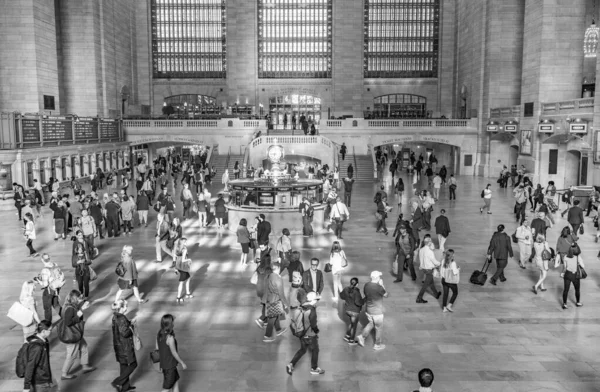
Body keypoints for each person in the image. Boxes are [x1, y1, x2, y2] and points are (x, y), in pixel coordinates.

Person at [286, 291, 324, 375]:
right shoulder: (312, 310)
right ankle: (314, 368)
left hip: (302, 334)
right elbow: (313, 324)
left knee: (302, 350)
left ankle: (291, 364)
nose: (317, 301)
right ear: (313, 300)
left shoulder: (302, 307)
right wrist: (316, 330)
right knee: (315, 350)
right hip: (310, 335)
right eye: (316, 300)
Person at [61, 290, 96, 380]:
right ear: (74, 298)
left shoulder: (71, 305)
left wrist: (83, 306)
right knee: (72, 354)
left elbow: (77, 310)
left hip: (76, 333)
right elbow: (68, 322)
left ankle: (85, 366)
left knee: (84, 347)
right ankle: (64, 373)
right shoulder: (69, 308)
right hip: (72, 334)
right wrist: (80, 313)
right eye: (79, 298)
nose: (81, 299)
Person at [356, 271, 388, 350]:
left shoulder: (367, 285)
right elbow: (386, 294)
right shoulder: (379, 287)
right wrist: (382, 285)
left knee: (371, 323)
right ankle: (377, 345)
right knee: (379, 328)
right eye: (379, 277)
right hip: (377, 311)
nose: (380, 278)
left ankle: (362, 336)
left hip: (368, 310)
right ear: (377, 278)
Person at [111, 299, 137, 392]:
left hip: (118, 346)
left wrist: (129, 322)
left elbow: (120, 328)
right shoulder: (122, 318)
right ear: (121, 308)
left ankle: (125, 387)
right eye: (125, 305)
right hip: (125, 347)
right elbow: (125, 333)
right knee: (133, 364)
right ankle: (118, 381)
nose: (127, 307)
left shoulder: (115, 316)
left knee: (124, 365)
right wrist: (132, 326)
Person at [156, 314, 187, 392]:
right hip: (170, 366)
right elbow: (174, 353)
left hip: (165, 365)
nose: (174, 323)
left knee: (175, 382)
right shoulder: (170, 338)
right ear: (170, 324)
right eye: (173, 322)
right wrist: (182, 363)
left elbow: (157, 347)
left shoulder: (160, 333)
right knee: (166, 388)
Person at [22, 320, 53, 392]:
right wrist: (26, 387)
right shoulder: (37, 347)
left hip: (43, 377)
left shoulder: (44, 341)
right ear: (43, 331)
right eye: (50, 330)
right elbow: (30, 365)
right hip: (40, 381)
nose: (51, 332)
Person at [262, 261, 289, 342]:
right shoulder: (278, 279)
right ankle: (267, 335)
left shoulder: (270, 275)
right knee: (272, 318)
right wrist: (286, 304)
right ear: (278, 268)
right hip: (275, 300)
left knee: (276, 314)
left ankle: (278, 330)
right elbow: (281, 294)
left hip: (270, 298)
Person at [36, 254, 63, 323]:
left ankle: (48, 323)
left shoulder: (45, 270)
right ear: (49, 258)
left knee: (47, 308)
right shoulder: (55, 265)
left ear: (42, 260)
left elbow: (45, 284)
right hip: (56, 289)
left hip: (49, 290)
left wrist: (38, 281)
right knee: (56, 304)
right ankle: (64, 316)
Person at [416, 237, 441, 303]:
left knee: (431, 282)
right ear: (429, 242)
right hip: (429, 270)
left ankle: (436, 294)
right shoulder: (430, 251)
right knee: (425, 285)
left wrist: (421, 266)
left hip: (423, 269)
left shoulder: (421, 250)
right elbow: (434, 261)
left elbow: (420, 259)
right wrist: (440, 263)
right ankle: (419, 298)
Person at [339, 277, 363, 345]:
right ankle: (351, 340)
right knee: (354, 326)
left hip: (347, 310)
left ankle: (347, 336)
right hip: (354, 311)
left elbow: (341, 296)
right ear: (357, 284)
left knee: (352, 323)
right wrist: (363, 300)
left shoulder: (346, 289)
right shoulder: (356, 292)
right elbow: (358, 302)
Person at [561, 244, 584, 309]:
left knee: (566, 290)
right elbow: (583, 266)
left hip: (568, 274)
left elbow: (565, 267)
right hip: (575, 275)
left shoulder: (565, 257)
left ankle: (565, 304)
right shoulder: (578, 257)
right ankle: (578, 302)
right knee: (577, 289)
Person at [254, 252, 273, 329]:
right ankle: (260, 319)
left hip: (259, 289)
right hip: (266, 290)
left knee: (265, 305)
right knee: (268, 306)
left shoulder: (259, 268)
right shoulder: (268, 269)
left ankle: (265, 322)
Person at [72, 231, 92, 298]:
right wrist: (78, 262)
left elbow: (89, 261)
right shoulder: (75, 255)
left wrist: (84, 261)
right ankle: (81, 294)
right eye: (79, 235)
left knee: (86, 284)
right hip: (78, 271)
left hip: (86, 270)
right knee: (80, 284)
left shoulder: (85, 242)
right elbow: (73, 264)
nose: (81, 236)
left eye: (81, 234)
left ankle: (86, 296)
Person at [174, 238, 193, 303]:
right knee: (181, 282)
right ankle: (178, 297)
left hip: (179, 266)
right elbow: (183, 260)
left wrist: (176, 268)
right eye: (185, 242)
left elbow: (175, 257)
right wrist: (189, 259)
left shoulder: (178, 248)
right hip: (183, 267)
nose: (186, 243)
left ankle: (188, 293)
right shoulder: (184, 249)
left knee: (188, 278)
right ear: (183, 243)